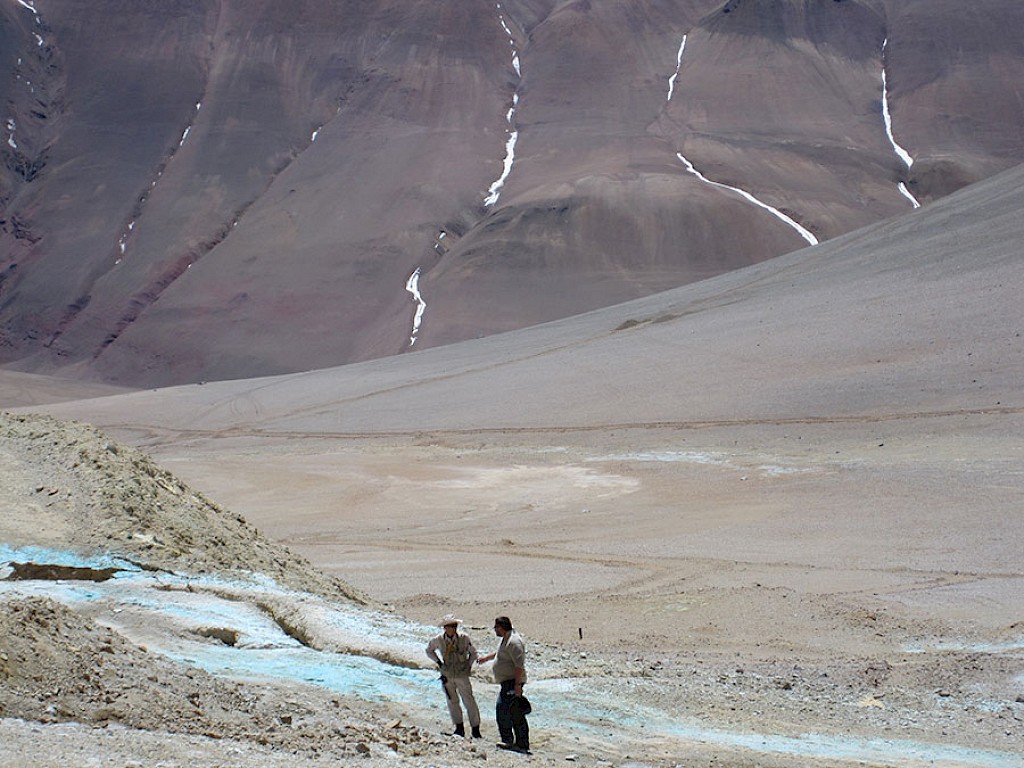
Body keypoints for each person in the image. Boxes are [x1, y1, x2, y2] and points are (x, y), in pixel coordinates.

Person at [477, 615, 530, 753]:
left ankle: (515, 742)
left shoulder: (514, 642)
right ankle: (516, 742)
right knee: (510, 712)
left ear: (501, 627)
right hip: (508, 682)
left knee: (507, 711)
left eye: (496, 628)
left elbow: (519, 666)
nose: (495, 630)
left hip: (512, 682)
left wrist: (517, 686)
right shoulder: (507, 640)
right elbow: (501, 654)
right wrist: (486, 658)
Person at [425, 614, 482, 738]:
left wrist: (469, 665)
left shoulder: (464, 638)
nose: (454, 628)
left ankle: (475, 729)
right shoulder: (438, 639)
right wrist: (439, 663)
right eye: (451, 626)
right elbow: (429, 650)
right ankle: (459, 727)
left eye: (455, 625)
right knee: (452, 701)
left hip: (462, 674)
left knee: (469, 701)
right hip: (447, 675)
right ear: (445, 628)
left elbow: (473, 653)